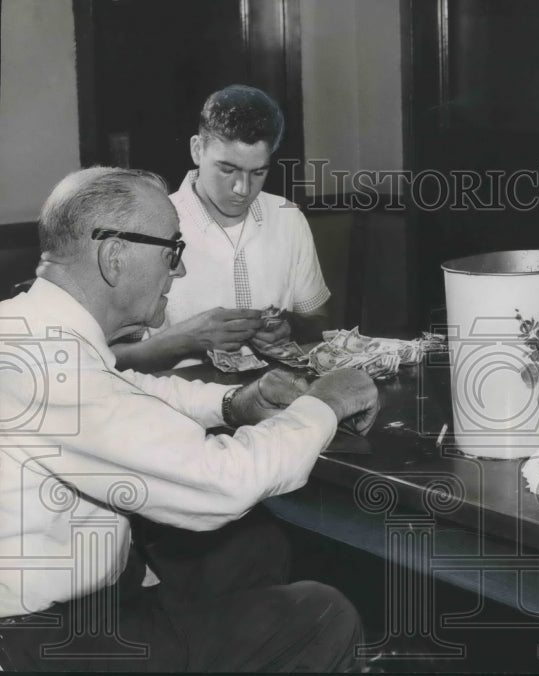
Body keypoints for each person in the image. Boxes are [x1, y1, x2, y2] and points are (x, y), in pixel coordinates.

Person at [0, 167, 379, 672]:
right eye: (171, 252)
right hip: (44, 643)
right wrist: (326, 402)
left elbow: (126, 389)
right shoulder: (52, 367)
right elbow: (222, 483)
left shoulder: (25, 326)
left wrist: (233, 404)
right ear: (115, 257)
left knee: (251, 547)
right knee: (322, 613)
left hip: (75, 603)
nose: (177, 272)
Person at [113, 84, 331, 372]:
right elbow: (112, 358)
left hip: (275, 393)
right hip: (179, 406)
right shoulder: (146, 225)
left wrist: (291, 325)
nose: (243, 188)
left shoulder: (287, 218)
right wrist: (186, 341)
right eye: (227, 170)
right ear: (197, 149)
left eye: (258, 172)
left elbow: (320, 320)